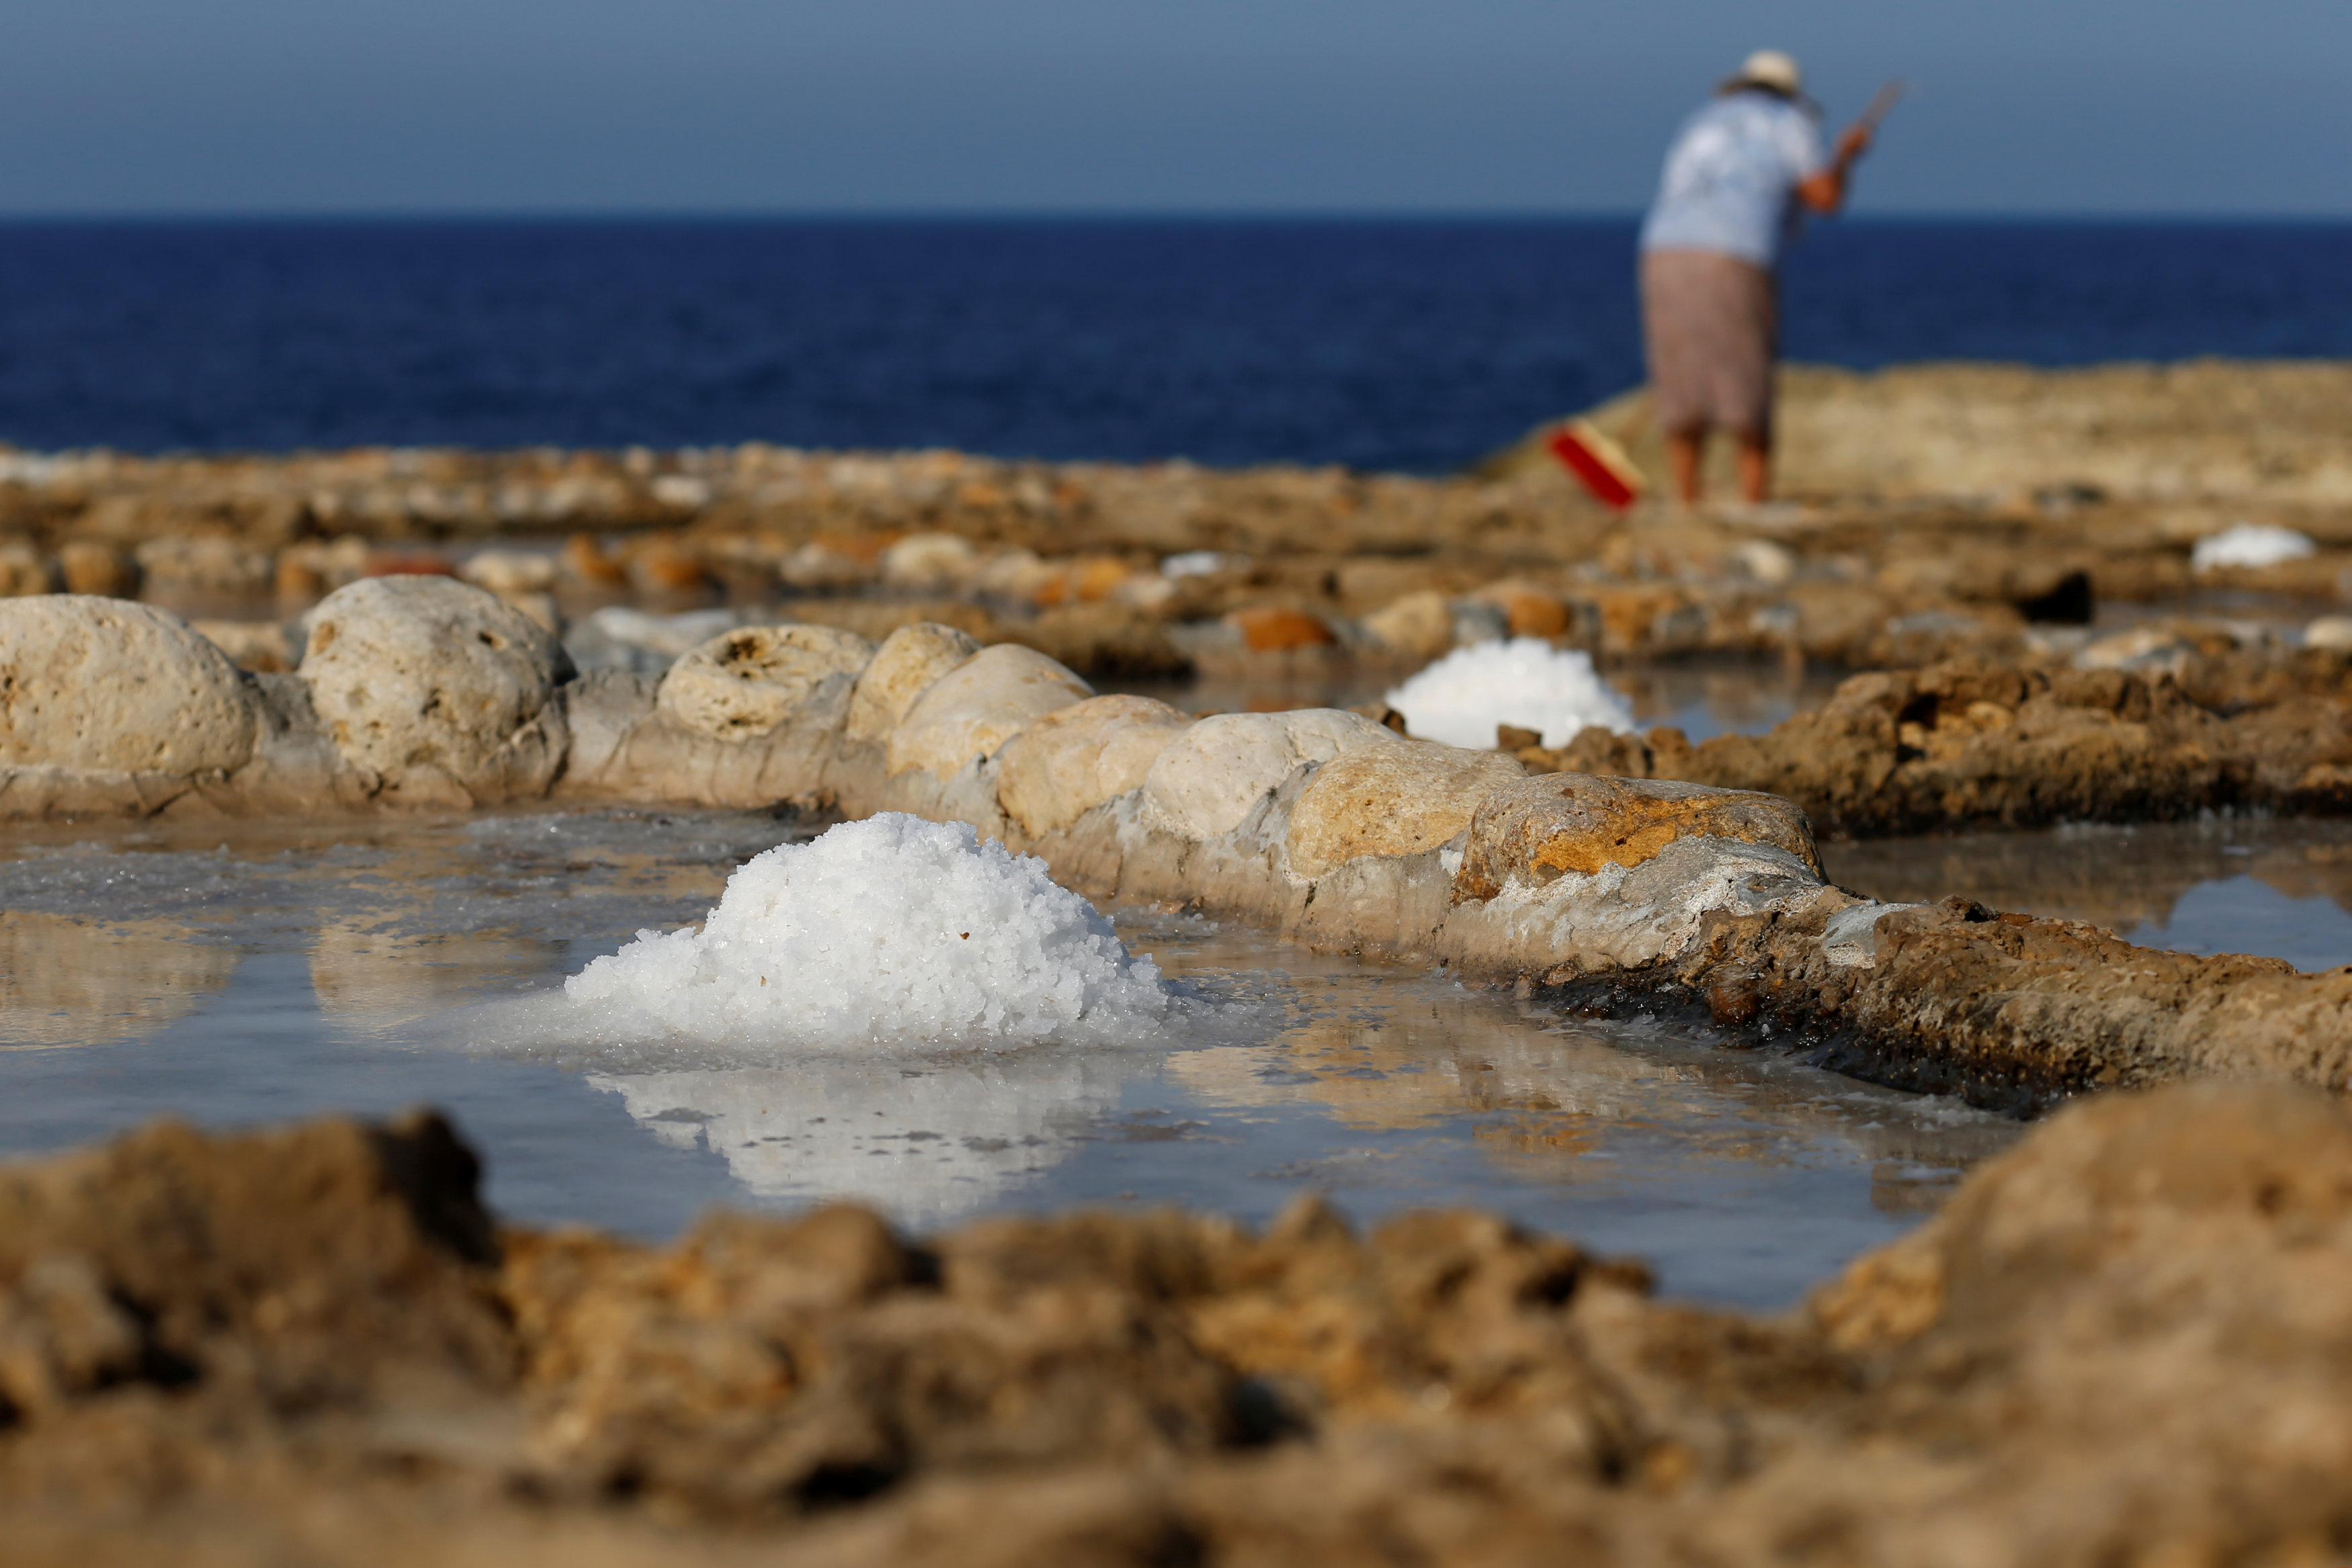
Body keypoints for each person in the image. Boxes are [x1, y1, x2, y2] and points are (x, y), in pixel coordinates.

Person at [1638, 50, 1871, 507]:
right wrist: (1845, 157)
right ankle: (1753, 499)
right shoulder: (1790, 122)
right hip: (1736, 249)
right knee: (1747, 372)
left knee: (1680, 375)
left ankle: (1687, 499)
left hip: (1662, 249)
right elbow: (1824, 198)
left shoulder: (1702, 119)